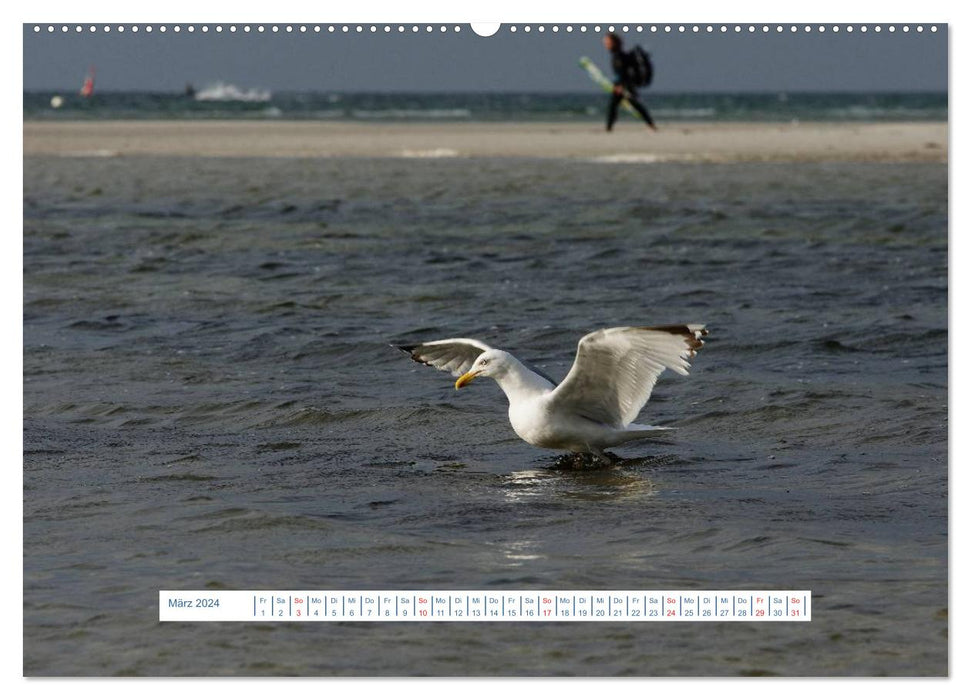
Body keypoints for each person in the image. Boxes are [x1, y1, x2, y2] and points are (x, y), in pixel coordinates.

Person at [603, 32, 657, 132]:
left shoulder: (618, 56)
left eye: (607, 42)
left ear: (614, 43)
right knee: (613, 105)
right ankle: (608, 128)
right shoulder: (618, 55)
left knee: (634, 105)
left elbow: (622, 72)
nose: (605, 44)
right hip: (623, 85)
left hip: (625, 86)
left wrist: (620, 85)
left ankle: (651, 125)